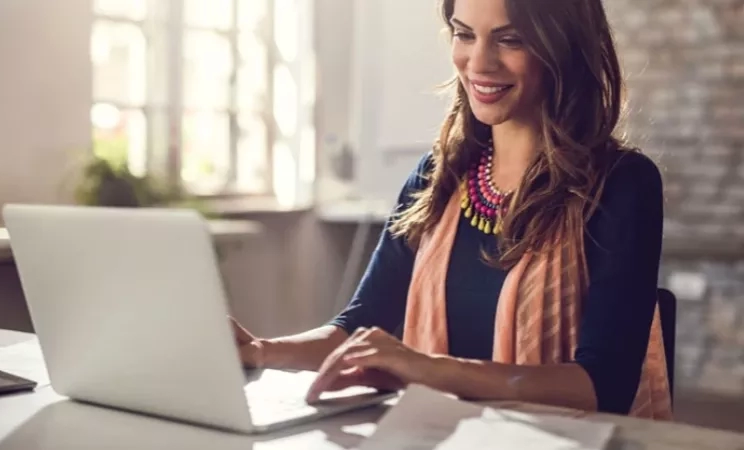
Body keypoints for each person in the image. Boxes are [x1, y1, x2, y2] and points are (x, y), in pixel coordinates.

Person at [232, 0, 672, 419]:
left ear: (564, 45)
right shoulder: (436, 177)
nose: (478, 63)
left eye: (510, 39)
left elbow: (603, 387)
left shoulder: (623, 184)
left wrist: (430, 369)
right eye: (464, 35)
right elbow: (360, 325)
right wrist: (261, 351)